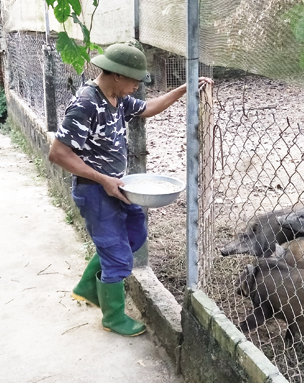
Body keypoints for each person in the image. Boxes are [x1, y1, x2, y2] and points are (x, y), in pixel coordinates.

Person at [48, 42, 213, 337]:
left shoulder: (117, 98)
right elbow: (58, 153)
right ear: (115, 75)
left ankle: (88, 286)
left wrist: (184, 89)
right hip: (96, 191)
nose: (137, 86)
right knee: (118, 256)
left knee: (134, 235)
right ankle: (113, 317)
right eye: (134, 80)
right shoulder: (87, 103)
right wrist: (103, 180)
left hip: (118, 186)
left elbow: (148, 108)